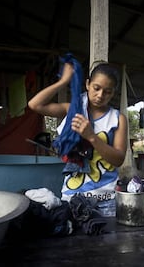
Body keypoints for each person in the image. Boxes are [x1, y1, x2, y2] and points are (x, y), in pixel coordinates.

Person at [28, 61, 127, 216]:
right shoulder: (72, 110)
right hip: (72, 198)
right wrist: (63, 81)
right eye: (96, 88)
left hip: (105, 200)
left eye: (107, 91)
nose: (100, 95)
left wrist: (91, 137)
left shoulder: (117, 118)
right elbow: (35, 104)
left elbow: (119, 159)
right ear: (87, 84)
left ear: (113, 93)